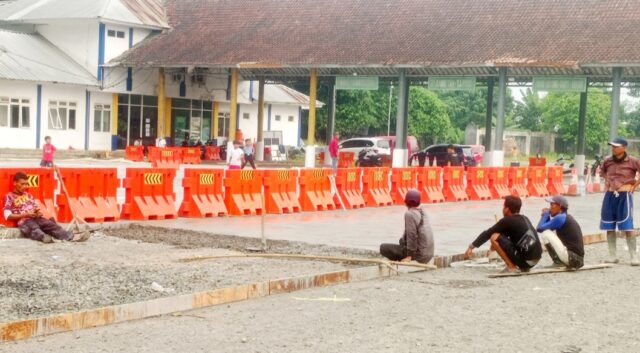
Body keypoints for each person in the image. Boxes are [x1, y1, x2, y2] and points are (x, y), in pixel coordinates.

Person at [3, 172, 89, 243]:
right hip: (24, 221)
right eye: (22, 184)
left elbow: (35, 208)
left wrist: (37, 213)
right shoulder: (9, 196)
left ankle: (71, 237)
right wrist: (26, 214)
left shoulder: (28, 195)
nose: (25, 187)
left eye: (26, 184)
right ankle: (45, 238)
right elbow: (8, 216)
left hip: (36, 218)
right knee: (34, 229)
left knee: (51, 225)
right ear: (15, 183)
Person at [465, 195, 542, 272]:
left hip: (526, 262)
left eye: (503, 206)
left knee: (494, 237)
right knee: (499, 236)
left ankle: (511, 267)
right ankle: (519, 264)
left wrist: (471, 247)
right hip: (536, 259)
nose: (502, 209)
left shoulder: (507, 220)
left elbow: (487, 233)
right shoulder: (524, 218)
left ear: (507, 209)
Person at [599, 137, 640, 265]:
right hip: (610, 194)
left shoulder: (633, 161)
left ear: (624, 147)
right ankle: (613, 256)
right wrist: (609, 180)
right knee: (609, 224)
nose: (613, 148)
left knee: (627, 225)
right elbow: (602, 172)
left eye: (616, 146)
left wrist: (635, 185)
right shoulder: (607, 161)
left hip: (625, 195)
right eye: (612, 146)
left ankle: (633, 257)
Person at [380, 189, 434, 264]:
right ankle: (407, 255)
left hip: (420, 256)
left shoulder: (410, 214)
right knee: (401, 241)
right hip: (429, 254)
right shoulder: (423, 211)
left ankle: (403, 259)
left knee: (383, 248)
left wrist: (409, 256)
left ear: (406, 202)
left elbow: (412, 236)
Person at [536, 195, 584, 269]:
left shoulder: (560, 218)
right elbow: (546, 226)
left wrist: (545, 215)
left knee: (545, 233)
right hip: (577, 259)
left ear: (560, 206)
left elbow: (539, 228)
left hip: (573, 258)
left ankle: (557, 262)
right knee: (548, 232)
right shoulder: (564, 217)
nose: (550, 208)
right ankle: (559, 261)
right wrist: (547, 216)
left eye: (552, 205)